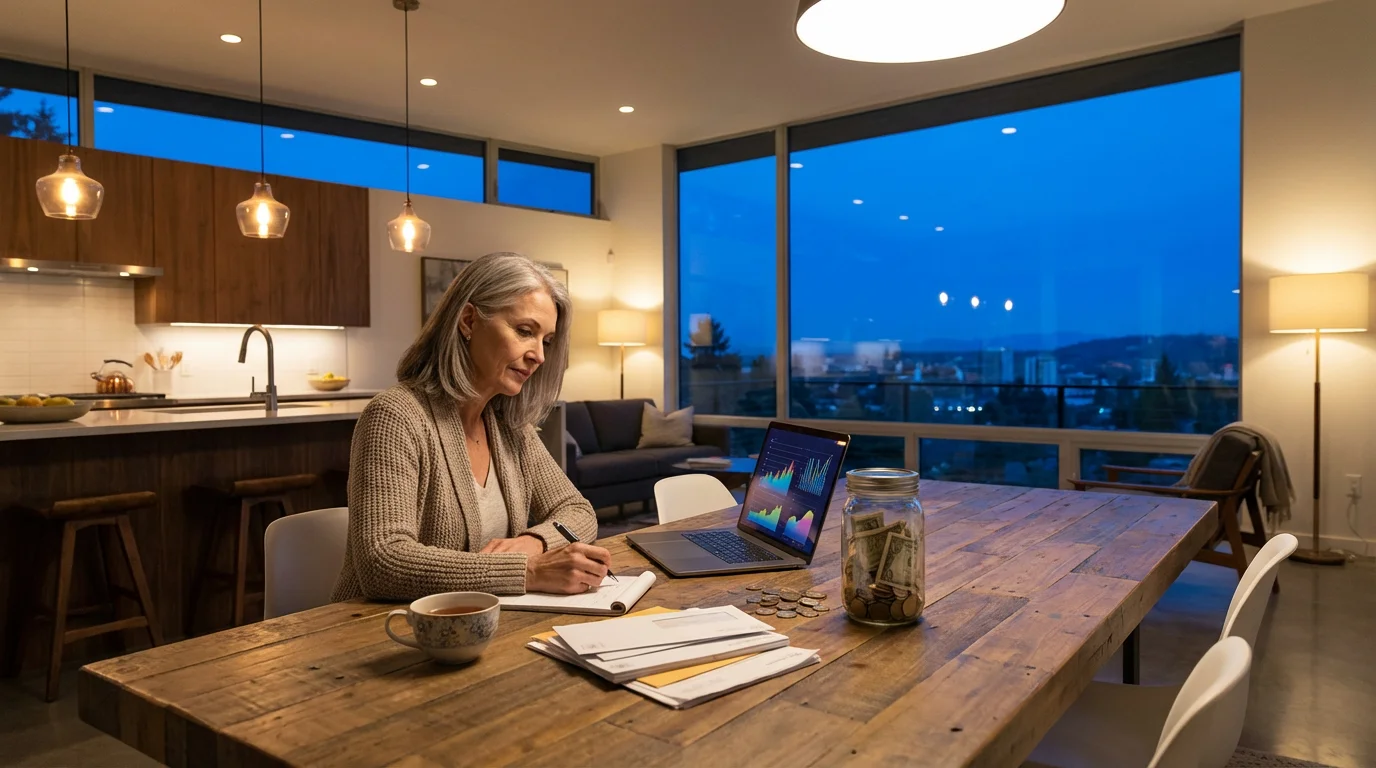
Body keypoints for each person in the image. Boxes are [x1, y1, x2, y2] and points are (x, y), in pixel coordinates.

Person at [333, 252, 610, 601]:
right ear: (468, 321)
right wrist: (528, 571)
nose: (539, 355)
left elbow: (578, 511)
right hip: (379, 625)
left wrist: (535, 541)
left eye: (547, 341)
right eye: (524, 331)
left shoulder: (509, 426)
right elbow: (383, 562)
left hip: (480, 621)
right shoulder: (395, 416)